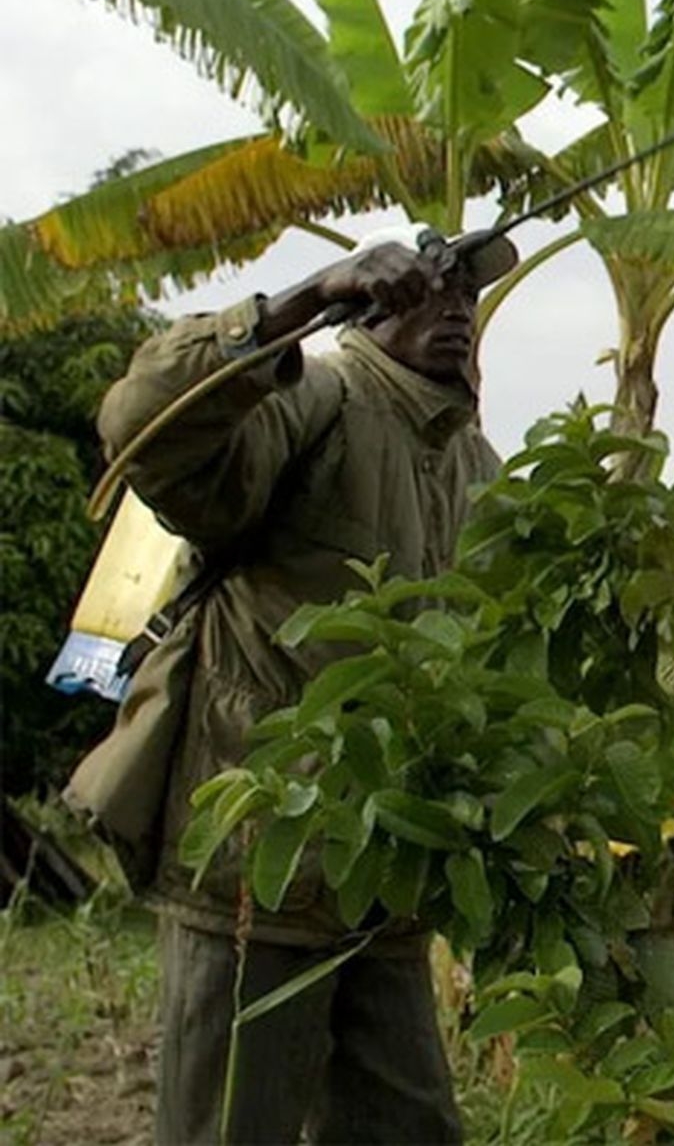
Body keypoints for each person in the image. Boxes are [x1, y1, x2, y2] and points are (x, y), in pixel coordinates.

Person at [95, 224, 517, 1145]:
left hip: (388, 884)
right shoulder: (317, 399)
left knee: (412, 1128)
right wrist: (305, 298)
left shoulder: (478, 471)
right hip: (258, 869)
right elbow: (142, 427)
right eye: (432, 287)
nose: (455, 309)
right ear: (375, 306)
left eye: (468, 295)